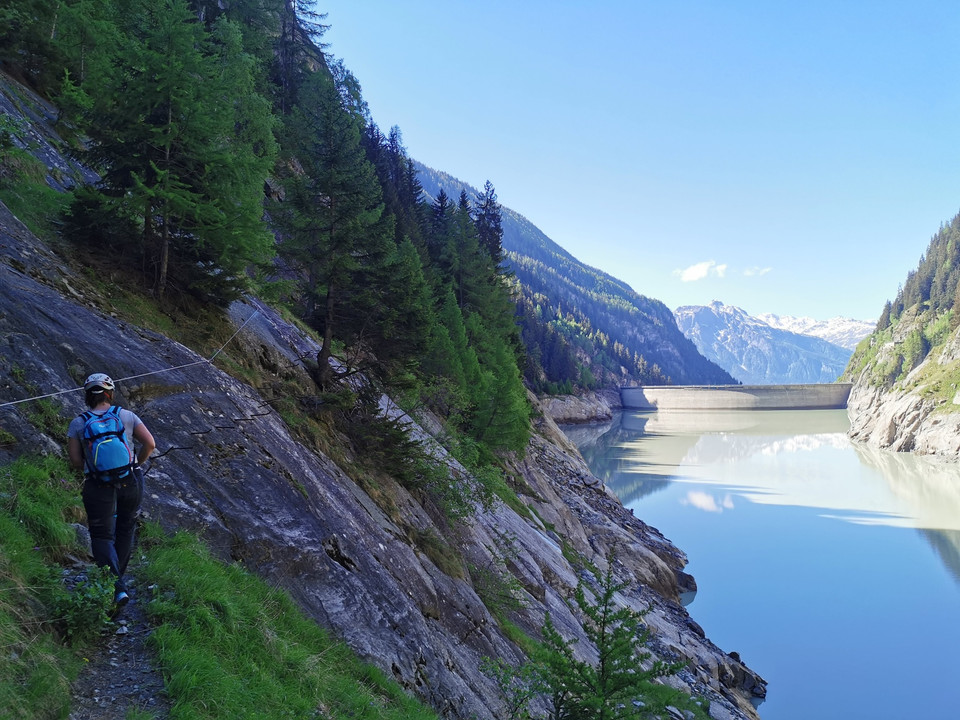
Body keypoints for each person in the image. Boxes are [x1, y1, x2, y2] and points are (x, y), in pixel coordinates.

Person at [67, 373, 156, 608]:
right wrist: (136, 463)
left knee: (101, 535)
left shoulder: (78, 423)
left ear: (88, 395)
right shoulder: (126, 416)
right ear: (110, 393)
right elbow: (150, 444)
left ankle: (116, 587)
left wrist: (95, 467)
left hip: (98, 484)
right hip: (130, 478)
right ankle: (117, 583)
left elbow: (75, 460)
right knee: (126, 528)